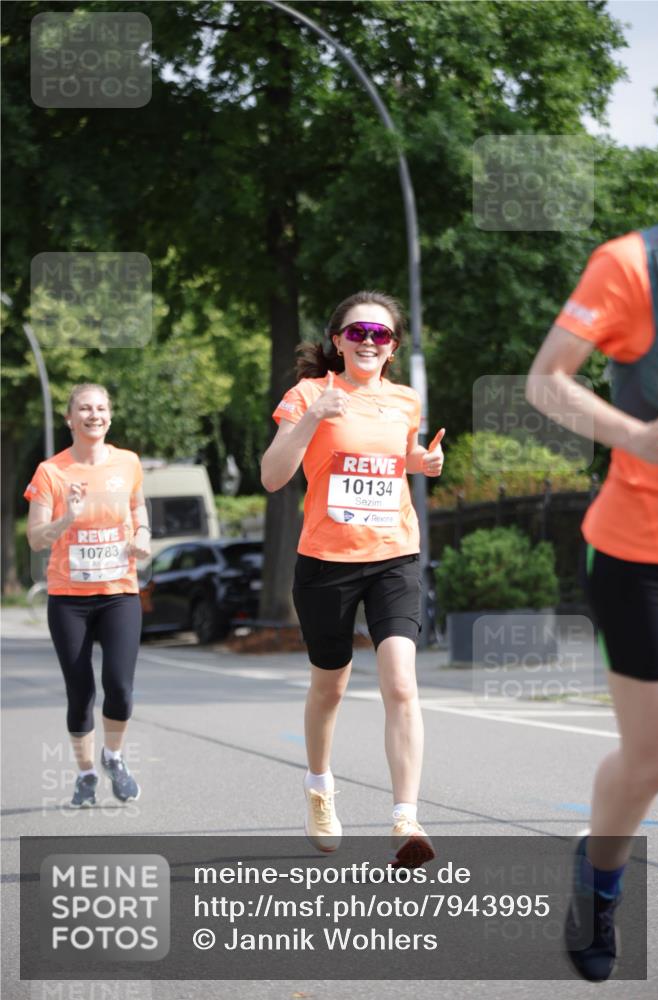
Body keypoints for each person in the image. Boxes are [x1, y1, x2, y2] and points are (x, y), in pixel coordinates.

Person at [526, 130, 658, 981]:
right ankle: (600, 881)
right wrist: (632, 437)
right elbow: (546, 380)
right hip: (639, 552)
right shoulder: (627, 267)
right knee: (652, 759)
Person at [261, 291, 445, 867]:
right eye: (359, 332)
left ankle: (405, 817)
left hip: (394, 555)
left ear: (392, 348)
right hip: (325, 562)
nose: (370, 341)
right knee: (330, 686)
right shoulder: (309, 395)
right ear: (337, 339)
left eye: (382, 334)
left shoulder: (404, 400)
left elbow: (397, 454)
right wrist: (314, 417)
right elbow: (272, 476)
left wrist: (422, 462)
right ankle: (320, 786)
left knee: (401, 682)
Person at [25, 383, 151, 808]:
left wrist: (144, 536)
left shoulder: (128, 463)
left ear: (109, 417)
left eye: (100, 408)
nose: (93, 415)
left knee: (119, 686)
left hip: (119, 592)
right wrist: (67, 518)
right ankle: (85, 775)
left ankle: (113, 756)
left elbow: (138, 509)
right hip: (69, 598)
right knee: (80, 692)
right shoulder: (51, 472)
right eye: (84, 408)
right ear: (70, 419)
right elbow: (35, 538)